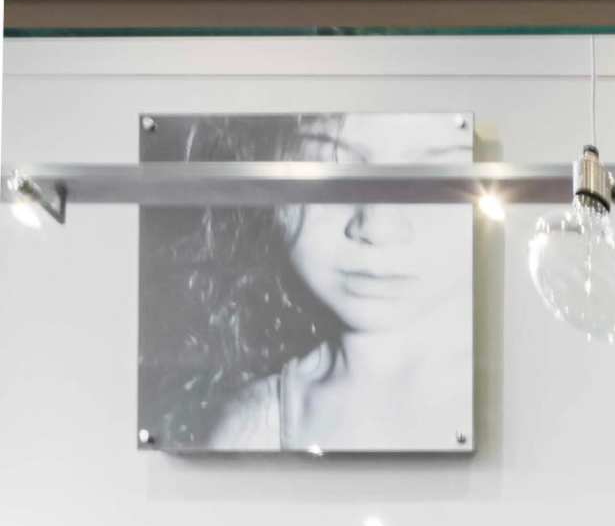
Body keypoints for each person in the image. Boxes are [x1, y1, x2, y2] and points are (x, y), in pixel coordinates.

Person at [139, 110, 473, 454]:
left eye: (440, 180)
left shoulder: (525, 391)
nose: (377, 226)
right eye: (330, 170)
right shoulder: (256, 425)